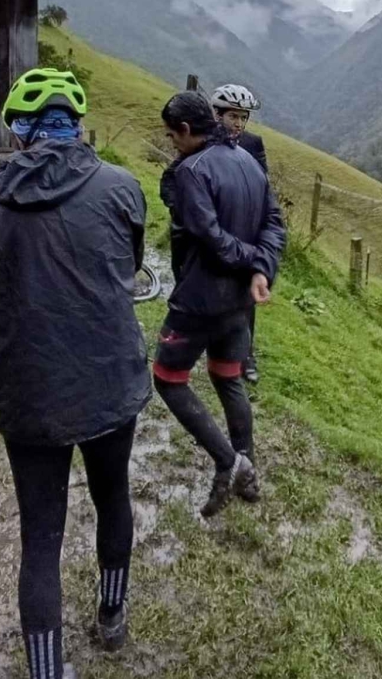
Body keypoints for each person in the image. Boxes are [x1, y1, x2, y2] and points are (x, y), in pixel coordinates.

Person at [0, 67, 150, 679]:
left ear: (19, 130)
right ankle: (112, 616)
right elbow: (128, 263)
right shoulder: (122, 186)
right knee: (113, 496)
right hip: (109, 379)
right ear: (77, 125)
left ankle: (47, 672)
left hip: (31, 387)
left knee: (40, 538)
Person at [154, 90, 287, 517]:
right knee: (228, 377)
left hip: (199, 298)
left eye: (173, 136)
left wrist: (251, 261)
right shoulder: (249, 161)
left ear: (188, 130)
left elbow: (211, 240)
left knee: (168, 378)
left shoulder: (192, 171)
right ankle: (247, 466)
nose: (172, 143)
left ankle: (228, 462)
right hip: (238, 304)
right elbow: (273, 223)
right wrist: (261, 269)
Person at [211, 83, 267, 384]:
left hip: (243, 234)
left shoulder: (253, 143)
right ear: (217, 114)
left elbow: (263, 188)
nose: (238, 123)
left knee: (246, 296)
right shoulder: (204, 142)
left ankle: (246, 354)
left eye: (243, 117)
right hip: (210, 232)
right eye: (233, 116)